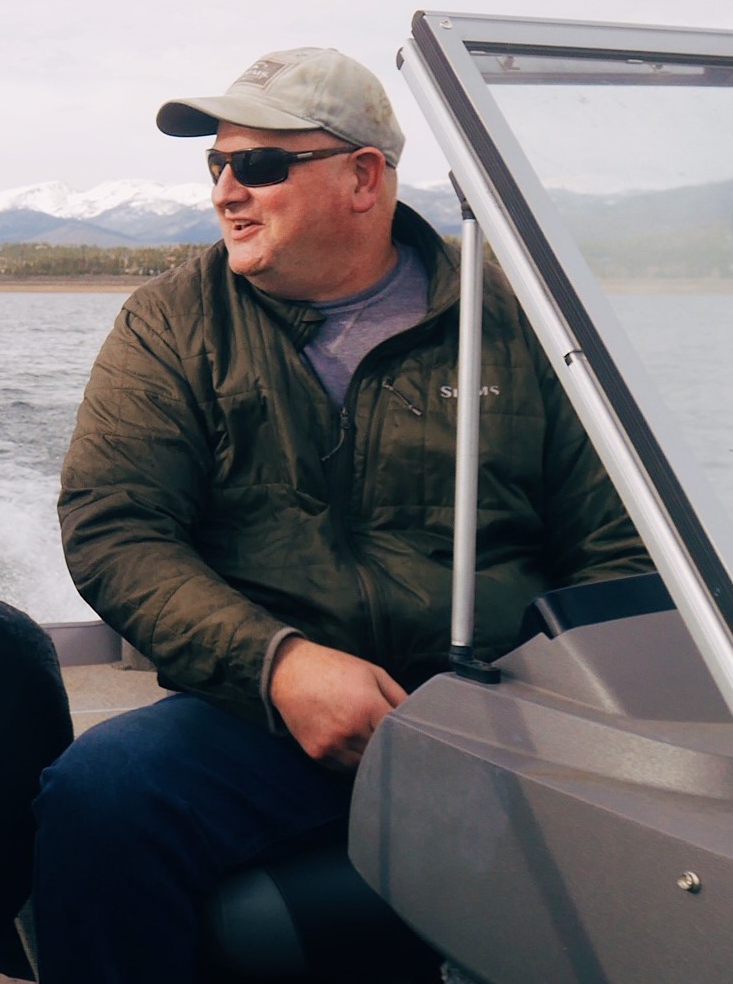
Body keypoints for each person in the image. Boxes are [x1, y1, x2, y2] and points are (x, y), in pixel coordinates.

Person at [34, 48, 651, 980]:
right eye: (217, 165)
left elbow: (618, 550)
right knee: (102, 794)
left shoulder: (521, 325)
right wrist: (278, 665)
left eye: (262, 165)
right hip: (261, 716)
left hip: (500, 715)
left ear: (364, 176)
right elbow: (116, 529)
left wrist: (544, 702)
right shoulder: (171, 324)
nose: (227, 191)